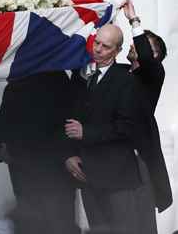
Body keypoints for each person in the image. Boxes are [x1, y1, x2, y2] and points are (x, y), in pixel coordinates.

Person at [63, 24, 141, 234]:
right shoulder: (80, 76)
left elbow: (127, 127)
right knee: (97, 230)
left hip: (117, 176)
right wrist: (69, 154)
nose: (97, 49)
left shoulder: (126, 79)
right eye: (96, 43)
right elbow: (68, 118)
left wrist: (86, 132)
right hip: (87, 173)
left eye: (105, 47)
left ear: (117, 51)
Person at [0, 71, 78, 234]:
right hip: (22, 169)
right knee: (28, 223)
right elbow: (1, 122)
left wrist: (67, 154)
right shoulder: (15, 84)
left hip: (54, 170)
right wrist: (2, 146)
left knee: (58, 222)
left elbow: (69, 120)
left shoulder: (60, 80)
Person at [122, 0, 172, 232]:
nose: (137, 46)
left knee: (140, 220)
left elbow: (147, 59)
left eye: (148, 48)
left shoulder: (153, 75)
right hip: (110, 157)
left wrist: (134, 20)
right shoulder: (117, 73)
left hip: (138, 157)